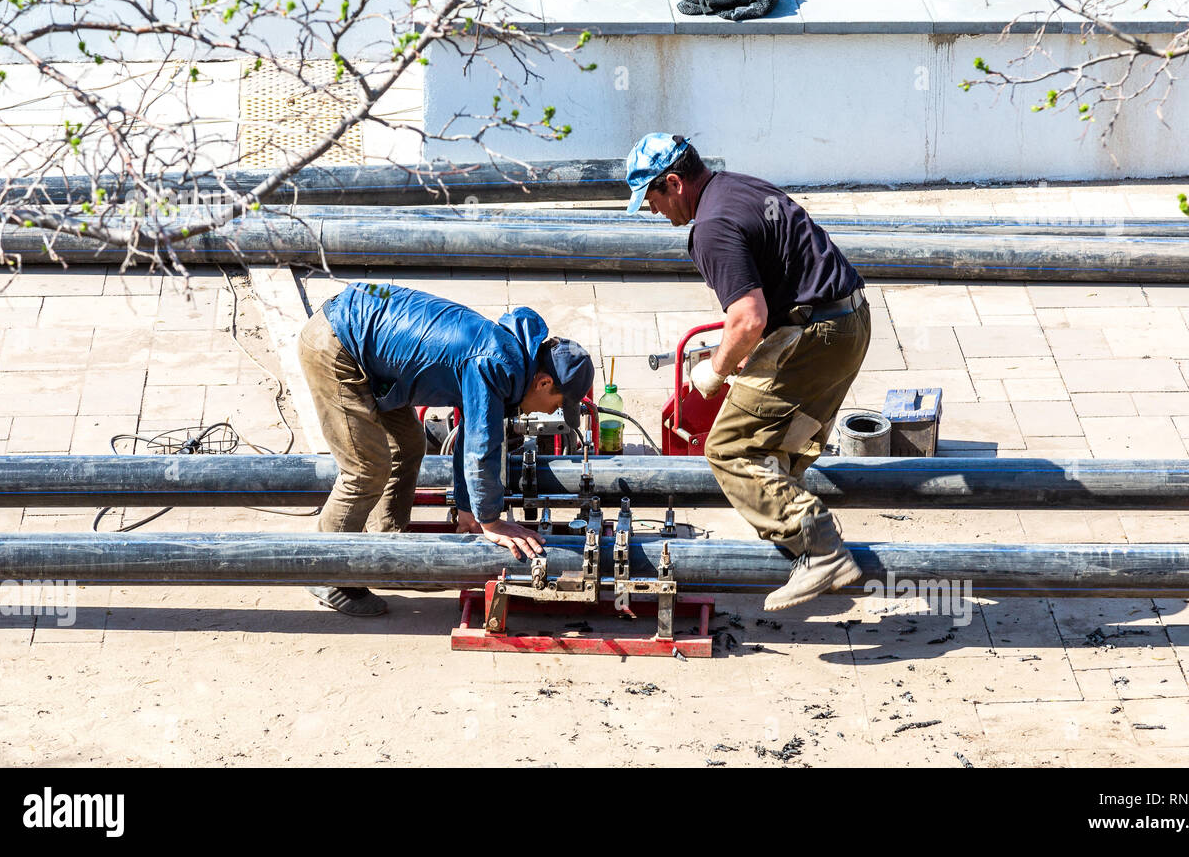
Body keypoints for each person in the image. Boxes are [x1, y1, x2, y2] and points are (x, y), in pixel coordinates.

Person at [625, 132, 872, 611]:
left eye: (651, 199)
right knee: (785, 440)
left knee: (728, 447)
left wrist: (714, 372)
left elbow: (749, 318)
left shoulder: (710, 226)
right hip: (850, 324)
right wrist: (735, 351)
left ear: (673, 183)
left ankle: (821, 548)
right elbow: (770, 295)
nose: (653, 211)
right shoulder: (739, 187)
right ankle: (800, 549)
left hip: (815, 336)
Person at [297, 282, 594, 616]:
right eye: (555, 405)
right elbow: (482, 448)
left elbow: (471, 435)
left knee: (408, 445)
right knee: (366, 468)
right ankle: (321, 569)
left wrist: (471, 509)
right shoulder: (496, 363)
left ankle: (382, 542)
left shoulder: (510, 355)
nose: (549, 413)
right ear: (544, 383)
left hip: (371, 342)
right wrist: (492, 522)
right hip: (339, 344)